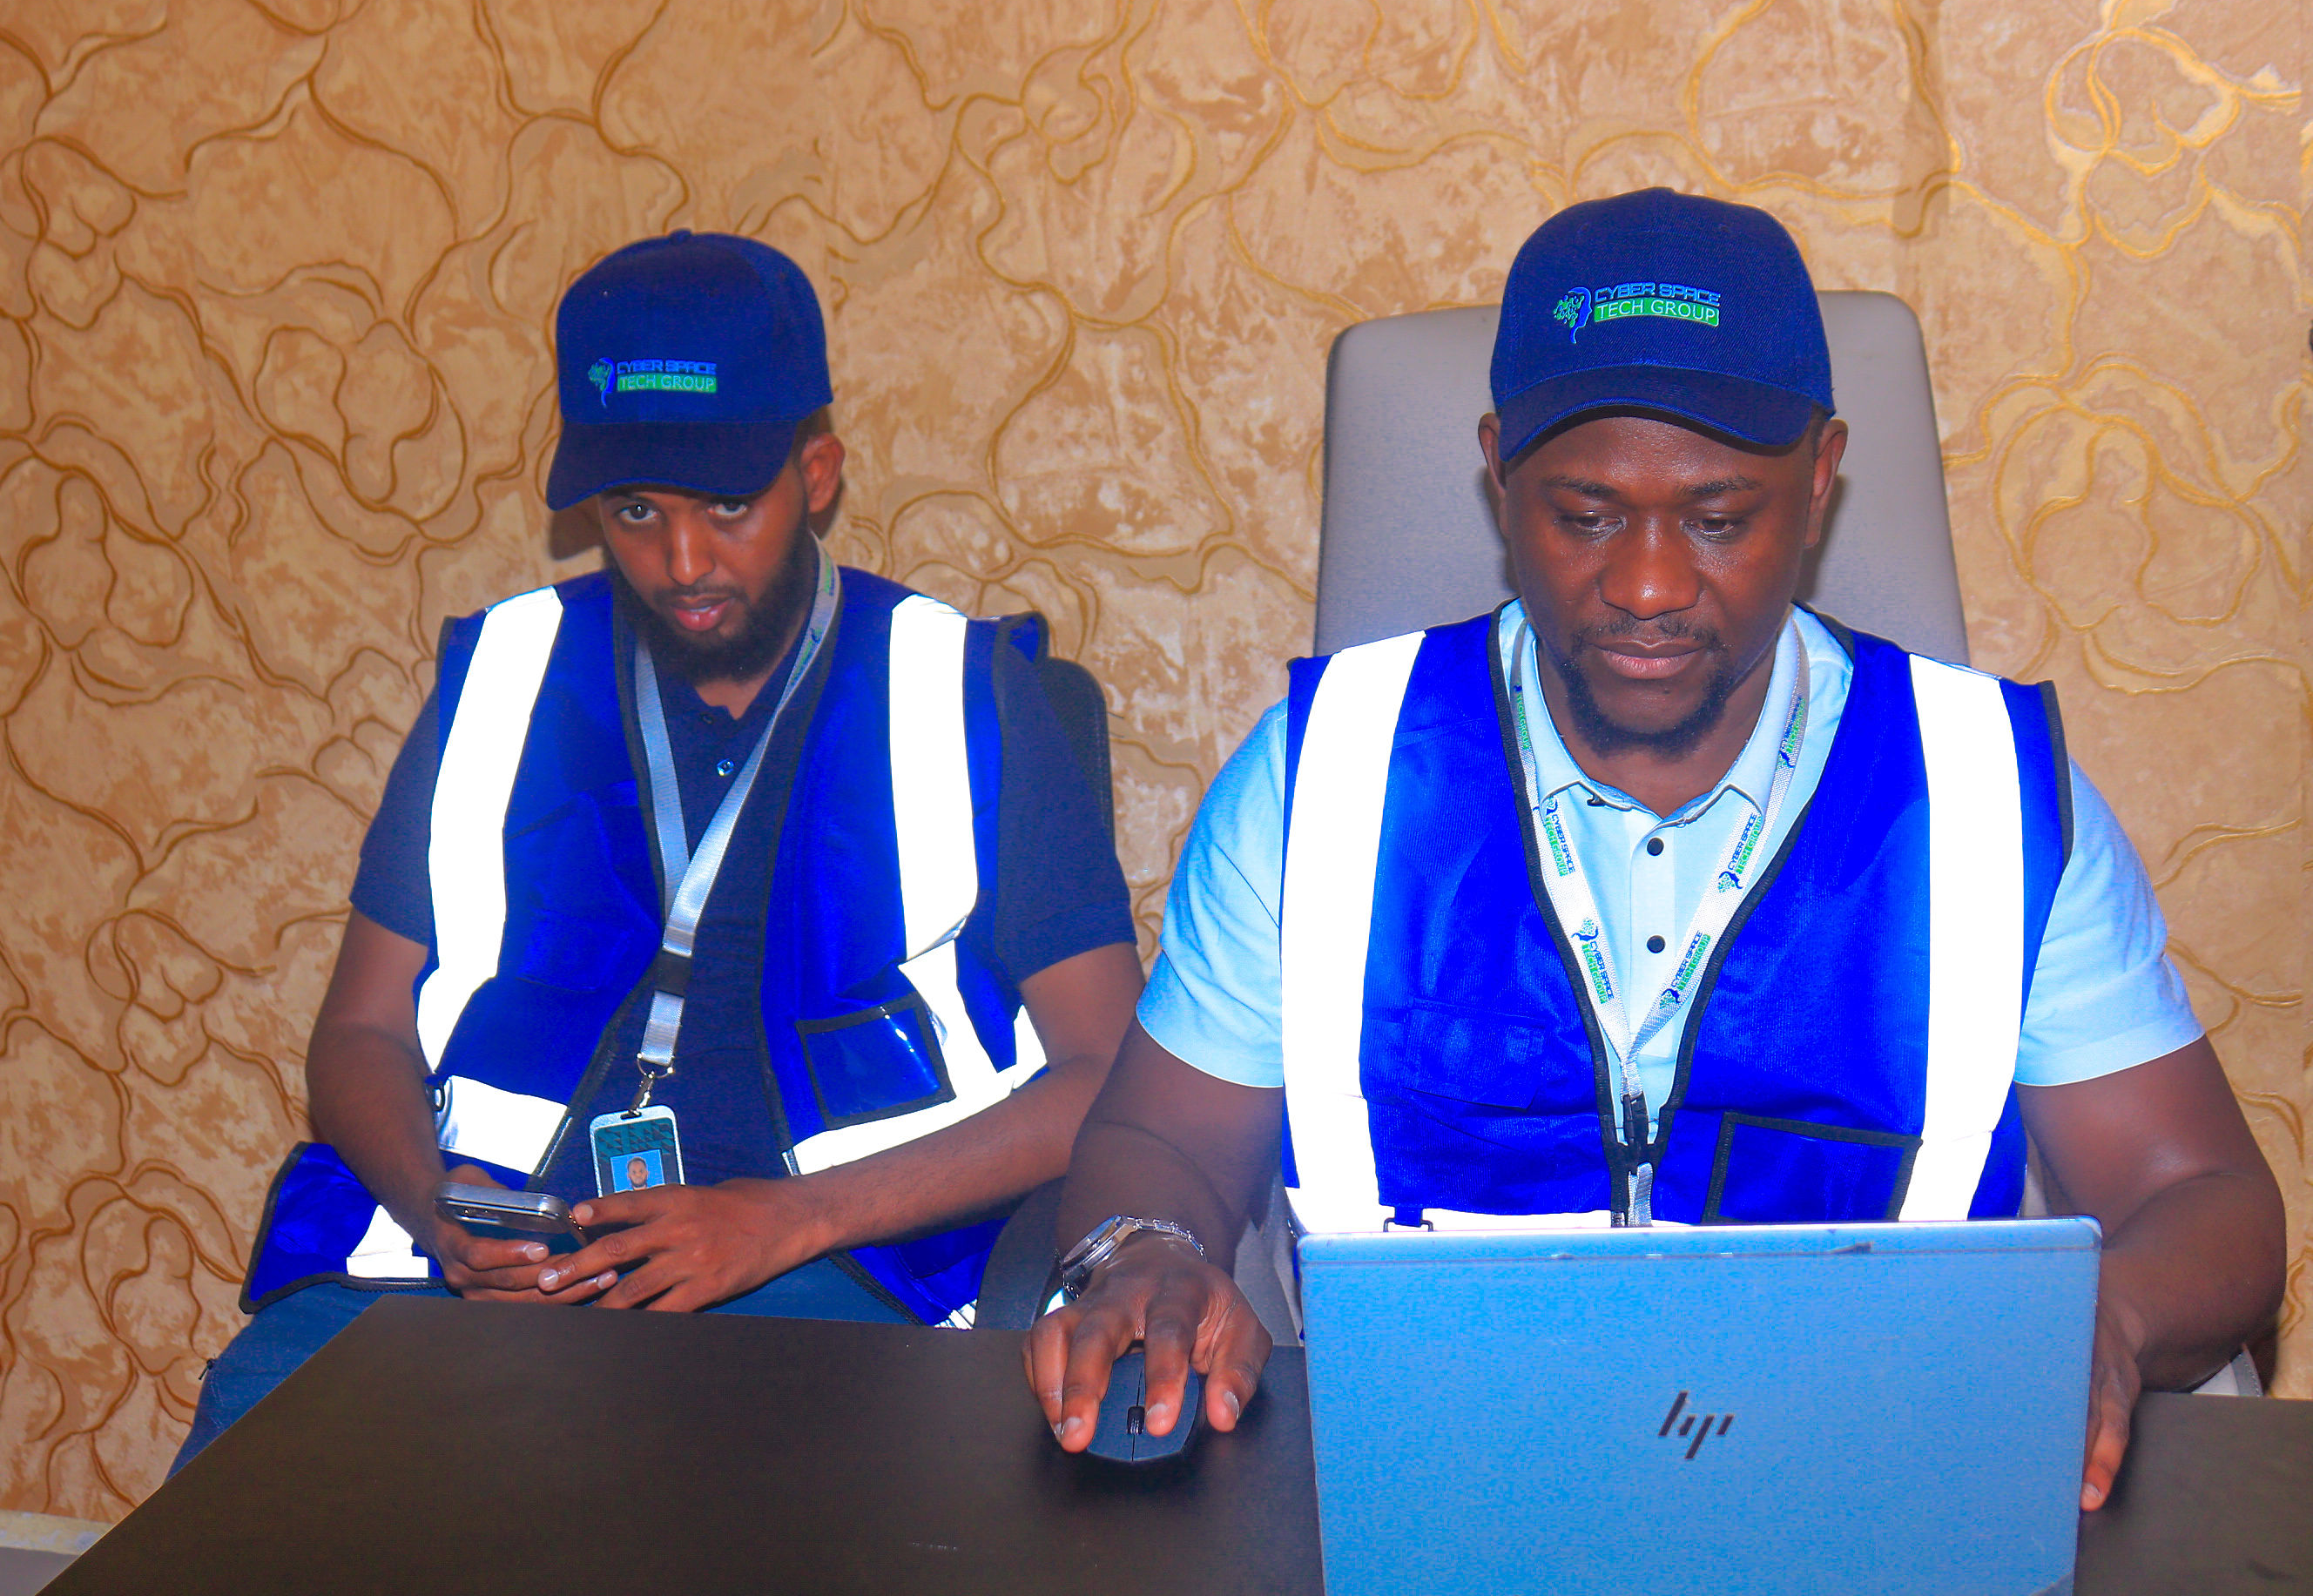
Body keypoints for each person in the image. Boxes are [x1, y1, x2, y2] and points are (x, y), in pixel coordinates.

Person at [1025, 189, 2284, 1512]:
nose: (1645, 586)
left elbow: (2207, 1197)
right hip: (1439, 1494)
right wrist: (1144, 1249)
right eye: (1584, 514)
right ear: (1499, 470)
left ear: (1821, 477)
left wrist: (2108, 1323)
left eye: (1718, 518)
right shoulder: (1323, 774)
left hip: (1865, 1497)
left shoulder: (1989, 798)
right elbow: (1159, 1138)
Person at [176, 232, 1142, 1469]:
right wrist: (439, 1211)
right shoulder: (505, 676)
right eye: (636, 512)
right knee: (249, 1460)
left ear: (817, 475)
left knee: (684, 1503)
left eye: (728, 507)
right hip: (493, 1266)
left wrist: (786, 1222)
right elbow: (359, 1029)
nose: (684, 565)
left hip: (834, 1273)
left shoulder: (964, 690)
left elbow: (1107, 1074)